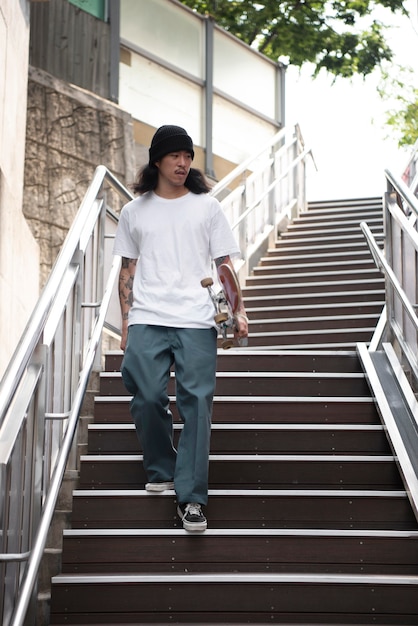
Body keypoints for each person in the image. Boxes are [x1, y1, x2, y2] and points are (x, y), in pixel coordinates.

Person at [113, 125, 248, 532]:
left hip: (196, 318)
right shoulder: (133, 211)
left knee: (196, 405)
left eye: (188, 156)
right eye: (175, 155)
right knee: (147, 392)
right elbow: (127, 271)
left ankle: (191, 498)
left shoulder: (207, 207)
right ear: (157, 159)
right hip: (148, 316)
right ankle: (161, 467)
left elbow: (224, 265)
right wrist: (125, 323)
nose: (183, 162)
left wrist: (239, 311)